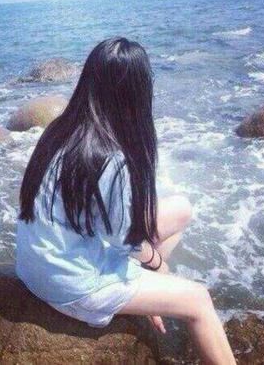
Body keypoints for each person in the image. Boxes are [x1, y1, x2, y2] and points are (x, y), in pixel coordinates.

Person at [15, 37, 236, 364]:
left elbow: (111, 227)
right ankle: (145, 294)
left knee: (181, 211)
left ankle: (145, 293)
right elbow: (124, 242)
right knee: (199, 301)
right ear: (135, 92)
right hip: (71, 283)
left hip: (37, 266)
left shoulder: (60, 130)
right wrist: (158, 267)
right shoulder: (111, 156)